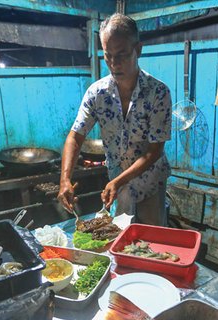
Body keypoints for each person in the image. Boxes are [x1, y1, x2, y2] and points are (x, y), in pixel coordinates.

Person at [57, 13, 172, 226]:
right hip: (117, 182)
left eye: (121, 55)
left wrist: (118, 181)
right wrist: (65, 179)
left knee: (152, 242)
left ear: (138, 50)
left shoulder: (158, 93)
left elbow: (154, 150)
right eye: (108, 55)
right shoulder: (96, 93)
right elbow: (75, 136)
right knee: (119, 238)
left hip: (150, 182)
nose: (114, 63)